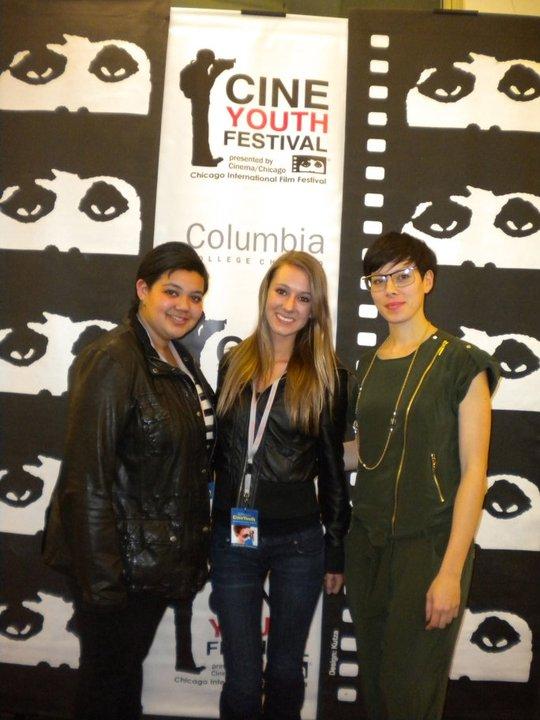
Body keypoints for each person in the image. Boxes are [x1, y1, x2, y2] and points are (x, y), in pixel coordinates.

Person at [42, 242, 215, 720]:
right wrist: (103, 584)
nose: (185, 306)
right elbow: (85, 476)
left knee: (120, 679)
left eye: (196, 297)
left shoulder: (175, 357)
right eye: (172, 291)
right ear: (143, 289)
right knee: (106, 683)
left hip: (150, 561)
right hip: (117, 567)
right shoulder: (115, 358)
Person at [343, 231, 499, 720]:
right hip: (366, 547)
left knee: (410, 697)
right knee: (378, 692)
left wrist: (450, 571)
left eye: (403, 276)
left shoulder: (461, 362)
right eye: (378, 280)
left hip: (428, 549)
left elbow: (475, 473)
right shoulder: (365, 367)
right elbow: (366, 452)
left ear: (427, 281)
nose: (391, 290)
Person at [211, 251, 351, 720]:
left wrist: (335, 549)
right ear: (266, 293)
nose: (290, 305)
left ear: (316, 309)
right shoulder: (233, 362)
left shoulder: (328, 376)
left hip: (299, 542)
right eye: (282, 291)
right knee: (243, 681)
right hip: (234, 539)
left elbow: (333, 470)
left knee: (287, 672)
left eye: (304, 298)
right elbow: (219, 456)